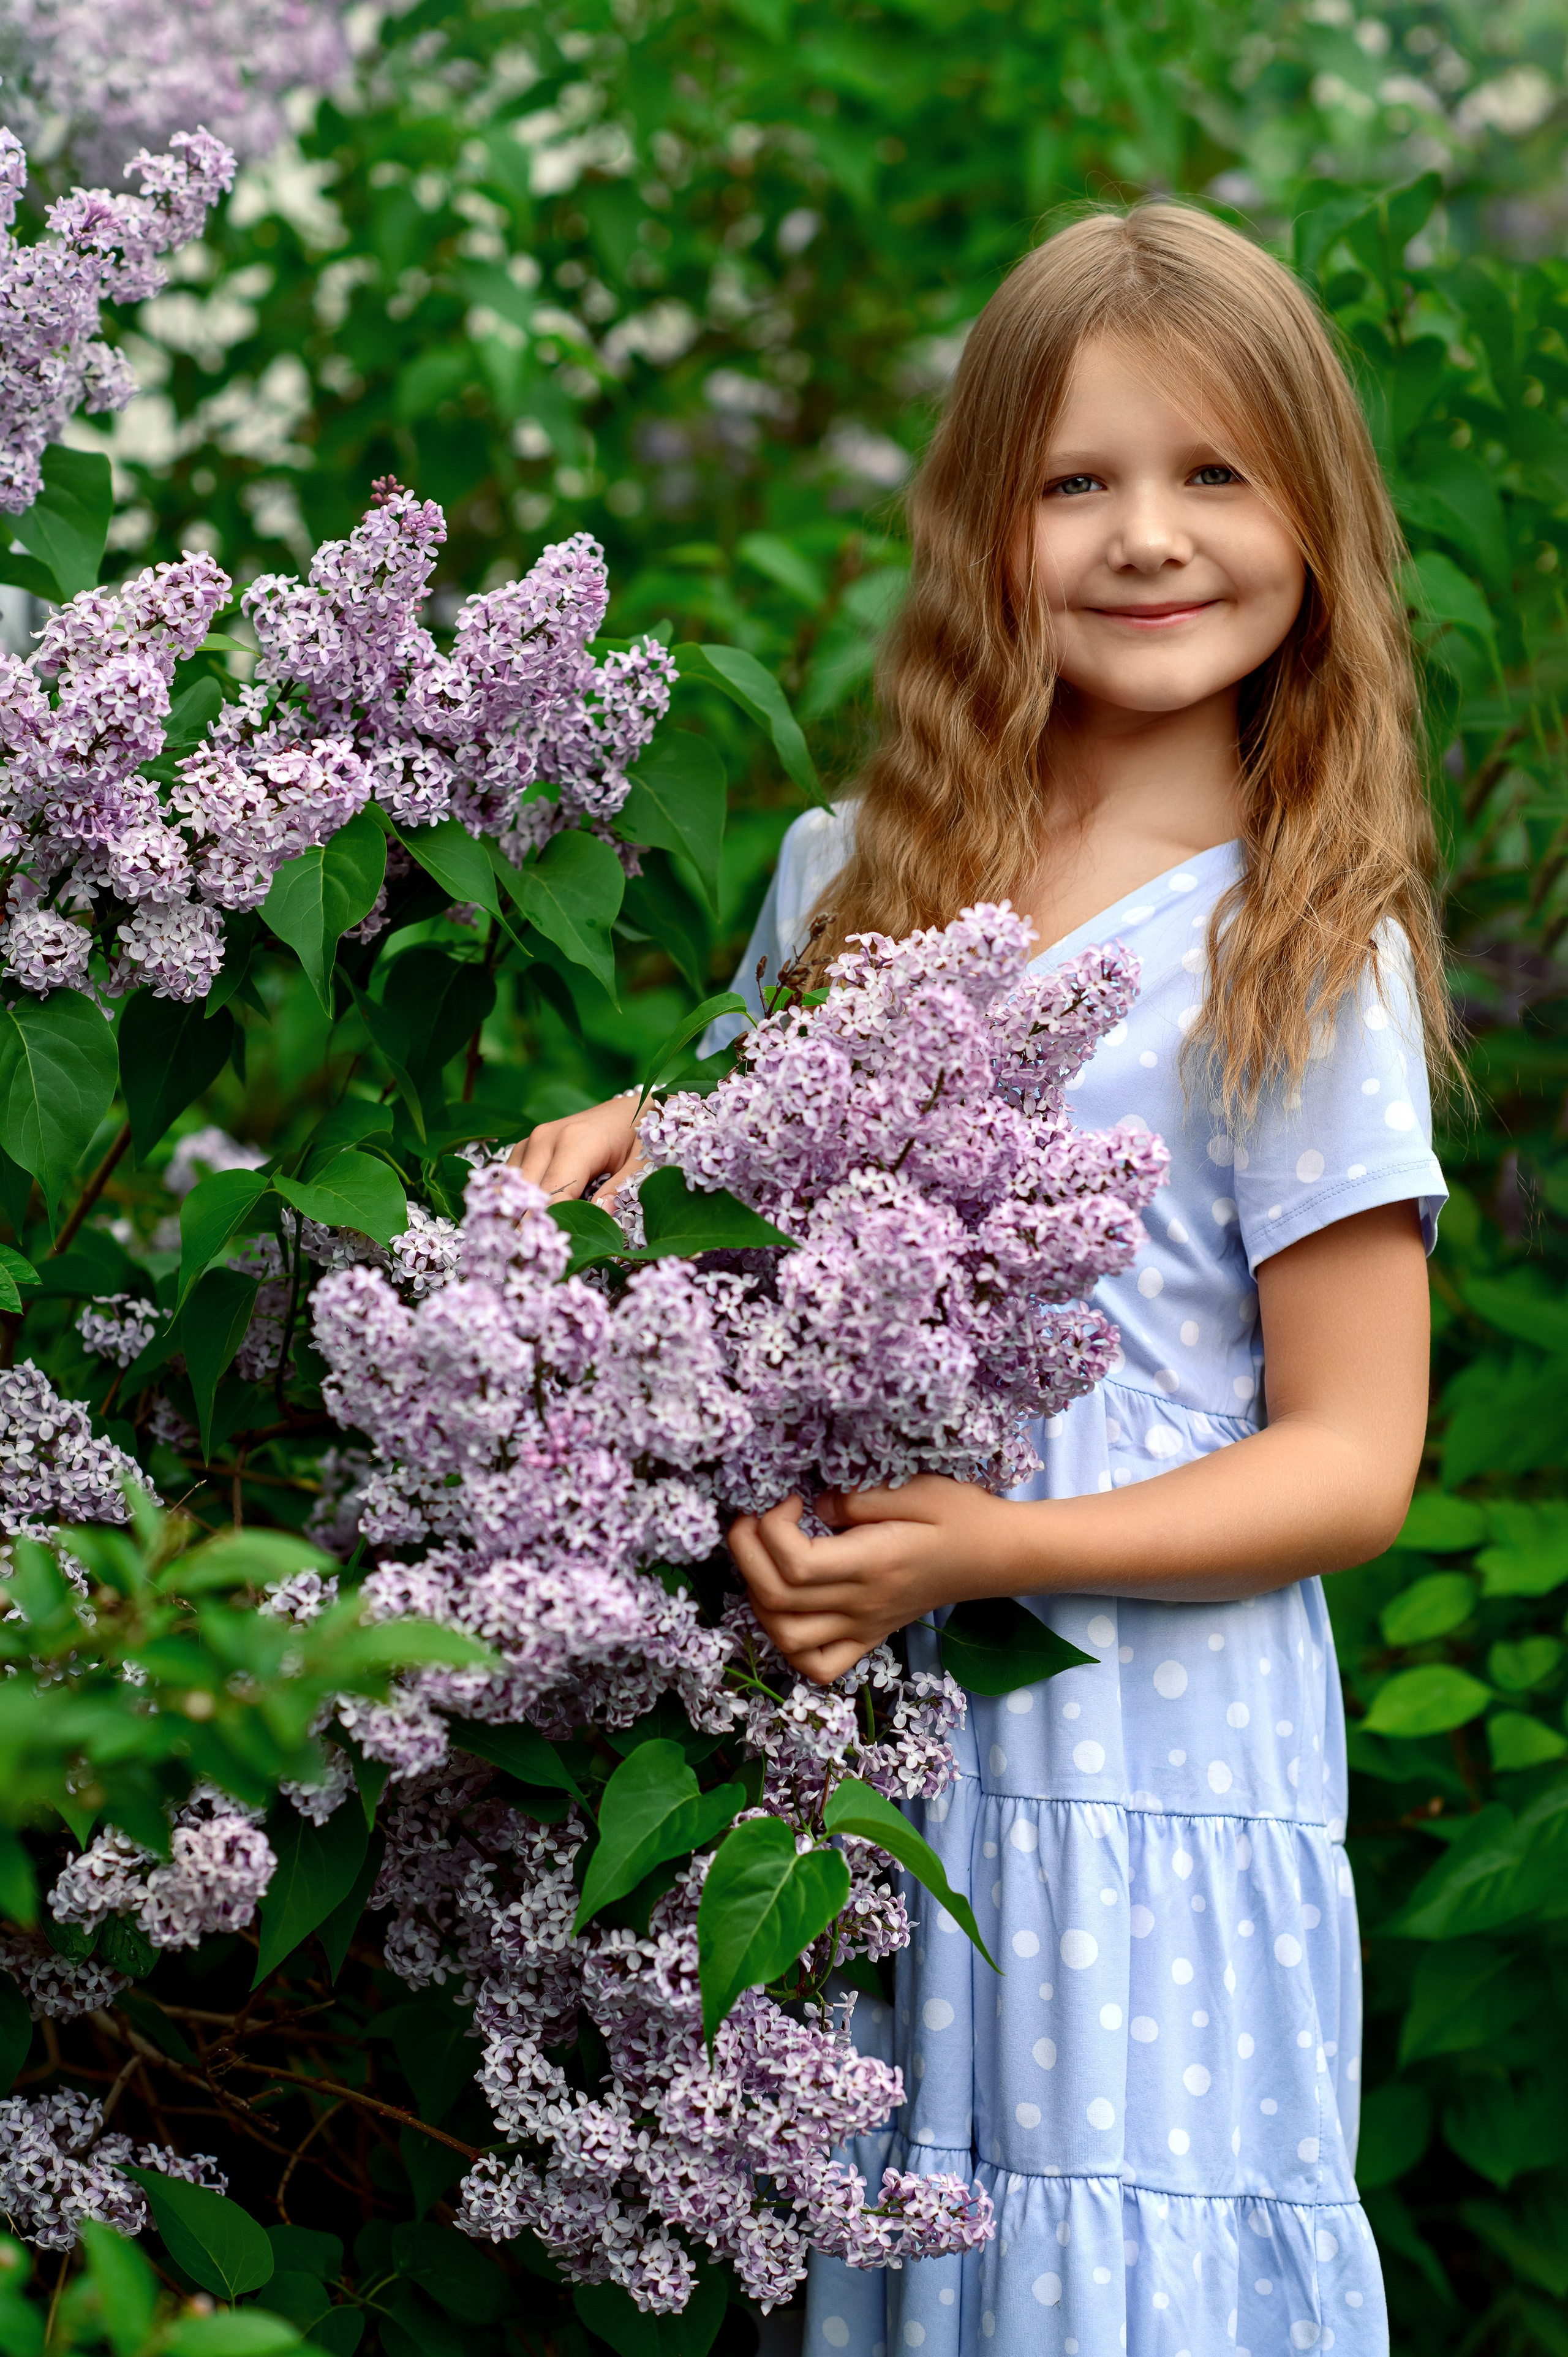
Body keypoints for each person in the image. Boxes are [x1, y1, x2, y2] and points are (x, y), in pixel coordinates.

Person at [513, 203, 1452, 2357]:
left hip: (1136, 1748)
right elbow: (760, 1204)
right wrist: (627, 1147)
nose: (1146, 536)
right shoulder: (852, 876)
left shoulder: (1292, 948)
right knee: (886, 2252)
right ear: (980, 524)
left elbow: (1351, 1462)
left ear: (1316, 518)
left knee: (1091, 2285)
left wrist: (996, 1549)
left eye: (1214, 474)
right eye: (1074, 481)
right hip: (871, 1747)